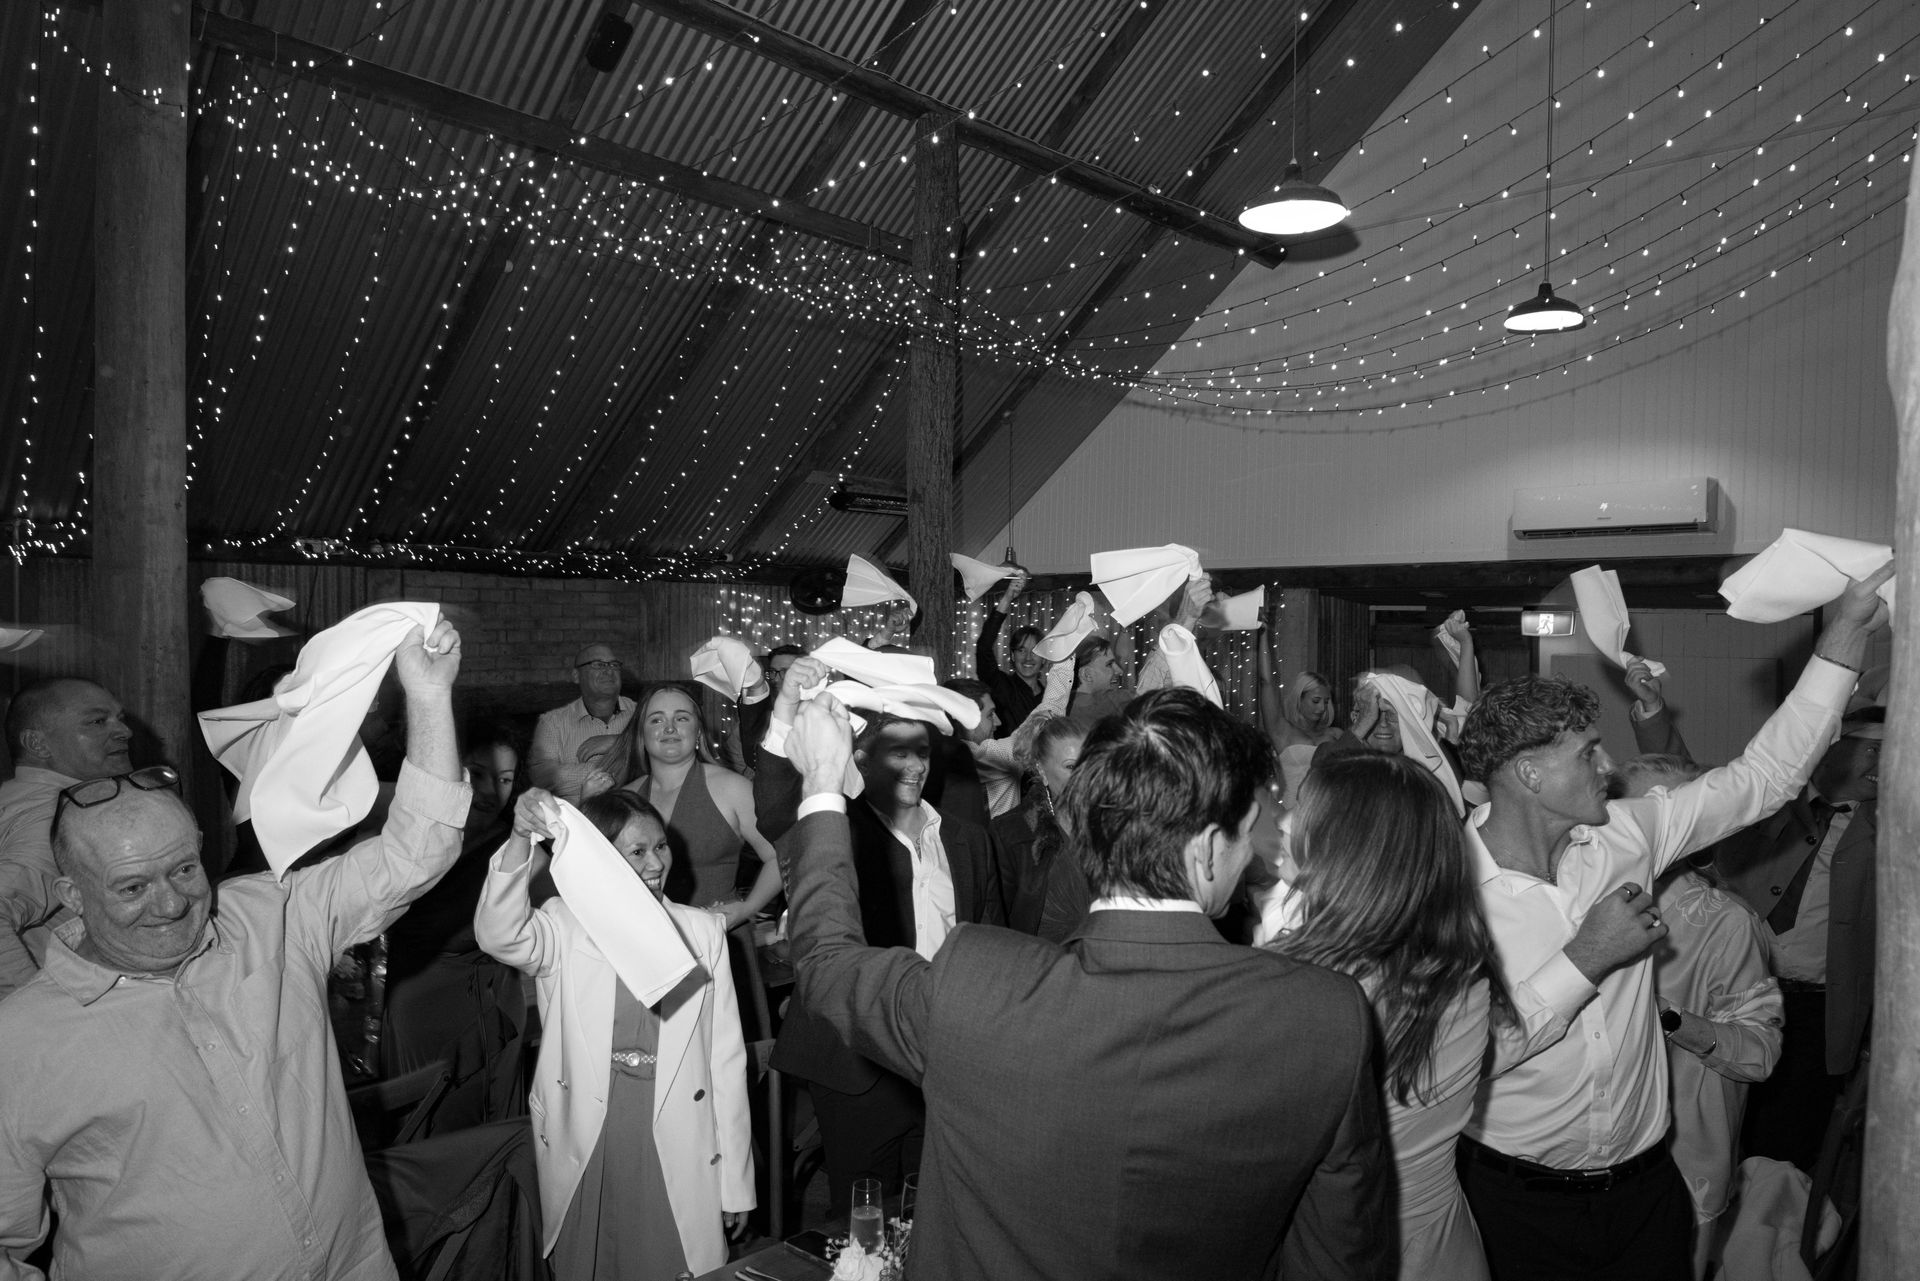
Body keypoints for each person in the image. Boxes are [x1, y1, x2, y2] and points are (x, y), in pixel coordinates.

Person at [776, 686, 1393, 1280]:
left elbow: (827, 962)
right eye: (1247, 832)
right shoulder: (1326, 1016)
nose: (1253, 854)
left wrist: (824, 784)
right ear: (1208, 850)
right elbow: (1336, 1257)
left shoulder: (976, 983)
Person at [1451, 563, 1889, 1281]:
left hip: (1649, 1189)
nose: (1609, 766)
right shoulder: (1444, 888)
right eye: (1587, 753)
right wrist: (1586, 959)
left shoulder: (1626, 835)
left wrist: (1842, 635)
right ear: (1529, 775)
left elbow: (1762, 779)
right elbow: (1463, 1059)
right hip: (1515, 1200)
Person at [0, 619, 469, 1281]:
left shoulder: (267, 917)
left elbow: (418, 850)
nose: (169, 904)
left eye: (183, 870)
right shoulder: (21, 1043)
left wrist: (427, 694)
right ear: (70, 896)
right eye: (131, 887)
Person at [753, 656, 1002, 1217]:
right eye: (897, 752)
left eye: (922, 751)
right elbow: (775, 810)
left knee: (934, 1211)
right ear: (861, 759)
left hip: (944, 1058)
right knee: (859, 1220)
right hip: (856, 1062)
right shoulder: (838, 829)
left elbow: (990, 943)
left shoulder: (968, 840)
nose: (913, 766)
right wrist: (786, 709)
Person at [475, 787, 753, 1279]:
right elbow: (499, 934)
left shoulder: (702, 932)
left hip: (677, 1132)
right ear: (601, 859)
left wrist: (735, 1182)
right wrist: (520, 838)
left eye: (661, 846)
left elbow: (725, 1063)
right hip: (589, 1129)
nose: (656, 863)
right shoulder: (563, 925)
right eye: (637, 851)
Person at [1615, 754, 1784, 1276]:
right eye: (1637, 813)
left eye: (1670, 815)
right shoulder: (1579, 904)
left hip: (1683, 1161)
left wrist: (1669, 1019)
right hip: (1583, 1163)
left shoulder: (1725, 923)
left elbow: (1759, 1054)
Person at [0, 678, 135, 998]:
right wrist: (34, 1009)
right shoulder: (59, 813)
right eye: (97, 721)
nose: (124, 731)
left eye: (120, 718)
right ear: (37, 744)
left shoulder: (15, 796)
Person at [617, 684, 781, 930]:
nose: (669, 727)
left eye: (681, 718)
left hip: (720, 935)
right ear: (642, 734)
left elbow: (780, 856)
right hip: (647, 938)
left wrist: (748, 908)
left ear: (699, 732)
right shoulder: (625, 798)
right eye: (656, 720)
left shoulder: (732, 788)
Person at [993, 716, 1085, 936]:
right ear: (1042, 770)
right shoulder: (1011, 833)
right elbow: (997, 924)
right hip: (1038, 954)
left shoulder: (1117, 824)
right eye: (1071, 766)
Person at [528, 643, 634, 804]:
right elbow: (543, 777)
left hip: (633, 814)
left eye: (614, 664)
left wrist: (621, 741)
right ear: (576, 676)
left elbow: (662, 760)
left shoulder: (643, 713)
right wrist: (619, 766)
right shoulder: (552, 723)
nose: (609, 670)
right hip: (578, 817)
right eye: (598, 664)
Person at [973, 572, 1046, 731]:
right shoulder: (1002, 686)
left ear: (1044, 658)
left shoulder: (1049, 698)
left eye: (1034, 651)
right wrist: (1007, 598)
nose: (1028, 658)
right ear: (1012, 655)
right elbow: (984, 648)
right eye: (1021, 650)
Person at [737, 644, 803, 773]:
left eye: (785, 672)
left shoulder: (819, 711)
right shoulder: (765, 710)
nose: (776, 679)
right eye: (773, 672)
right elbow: (752, 756)